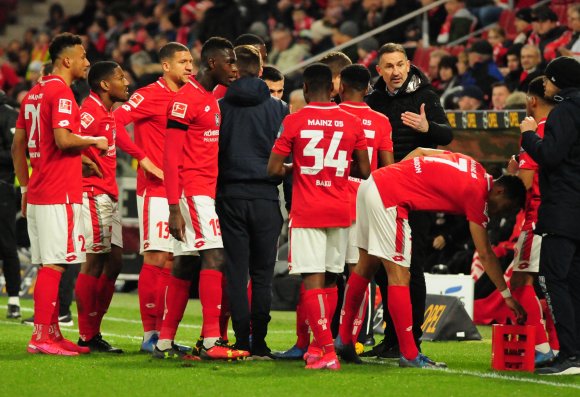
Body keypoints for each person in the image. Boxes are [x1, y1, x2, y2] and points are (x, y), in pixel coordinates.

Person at [337, 149, 527, 367]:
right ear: (500, 191)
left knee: (366, 266)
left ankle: (343, 338)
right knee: (400, 276)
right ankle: (409, 354)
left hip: (373, 184)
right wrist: (507, 295)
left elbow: (421, 151)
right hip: (389, 197)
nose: (503, 214)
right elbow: (484, 253)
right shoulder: (478, 194)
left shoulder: (472, 165)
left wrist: (399, 175)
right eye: (508, 208)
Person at [267, 62, 370, 370]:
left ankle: (326, 351)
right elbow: (365, 170)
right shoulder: (352, 122)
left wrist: (297, 167)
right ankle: (316, 346)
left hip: (308, 208)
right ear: (335, 89)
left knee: (312, 281)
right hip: (341, 209)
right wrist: (334, 171)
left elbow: (273, 170)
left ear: (307, 89)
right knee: (329, 280)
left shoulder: (295, 121)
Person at [11, 33, 108, 355]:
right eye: (82, 57)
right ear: (66, 60)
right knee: (55, 265)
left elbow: (18, 145)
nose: (87, 63)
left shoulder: (33, 94)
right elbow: (64, 140)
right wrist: (94, 142)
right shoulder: (62, 92)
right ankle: (41, 337)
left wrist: (24, 187)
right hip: (59, 192)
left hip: (38, 189)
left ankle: (51, 333)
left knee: (48, 264)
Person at [364, 43, 453, 358]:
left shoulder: (425, 96)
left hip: (417, 193)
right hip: (382, 192)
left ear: (408, 64)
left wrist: (428, 127)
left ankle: (411, 341)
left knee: (411, 267)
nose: (396, 71)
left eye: (400, 64)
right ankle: (391, 338)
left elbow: (447, 135)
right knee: (382, 269)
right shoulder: (372, 100)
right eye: (388, 66)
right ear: (380, 71)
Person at [160, 37, 246, 360]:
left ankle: (165, 341)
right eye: (230, 62)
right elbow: (170, 157)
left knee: (183, 264)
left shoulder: (210, 99)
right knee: (215, 257)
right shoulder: (186, 100)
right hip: (191, 191)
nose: (234, 68)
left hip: (202, 191)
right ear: (213, 63)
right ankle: (211, 341)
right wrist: (173, 208)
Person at [75, 61, 163, 353]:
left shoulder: (107, 113)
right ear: (104, 85)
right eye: (120, 78)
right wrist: (82, 163)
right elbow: (65, 141)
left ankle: (93, 330)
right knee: (94, 260)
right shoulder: (88, 112)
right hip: (92, 192)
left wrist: (143, 157)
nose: (127, 82)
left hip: (107, 193)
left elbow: (119, 135)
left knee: (112, 263)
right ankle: (86, 335)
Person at [113, 42, 193, 353]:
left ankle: (167, 336)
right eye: (182, 61)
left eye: (191, 61)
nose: (189, 66)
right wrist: (142, 159)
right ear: (166, 66)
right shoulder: (148, 94)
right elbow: (116, 123)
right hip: (157, 190)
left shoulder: (191, 96)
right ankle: (150, 334)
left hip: (186, 188)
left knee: (174, 261)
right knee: (157, 257)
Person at [216, 45, 288, 359]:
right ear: (260, 71)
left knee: (236, 271)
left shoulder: (219, 107)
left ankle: (241, 339)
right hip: (265, 196)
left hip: (229, 195)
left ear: (234, 70)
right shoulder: (279, 109)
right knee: (262, 273)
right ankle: (259, 341)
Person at [520, 56, 580, 375]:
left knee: (553, 279)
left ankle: (569, 354)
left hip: (563, 210)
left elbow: (551, 156)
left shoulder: (564, 112)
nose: (544, 84)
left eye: (547, 78)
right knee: (574, 282)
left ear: (558, 80)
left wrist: (529, 135)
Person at [337, 64, 394, 350]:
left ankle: (328, 334)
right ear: (369, 88)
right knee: (361, 270)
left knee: (326, 271)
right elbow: (388, 168)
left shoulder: (333, 116)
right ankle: (362, 334)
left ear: (340, 87)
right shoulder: (381, 121)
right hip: (367, 200)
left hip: (333, 198)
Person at [508, 76, 556, 366]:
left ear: (533, 101)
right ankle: (563, 345)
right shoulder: (565, 128)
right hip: (561, 216)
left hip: (536, 220)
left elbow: (524, 183)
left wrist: (512, 172)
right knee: (556, 285)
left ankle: (540, 346)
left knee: (519, 282)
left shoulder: (535, 131)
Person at [0, 88, 21, 319]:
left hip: (3, 187)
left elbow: (17, 152)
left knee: (7, 243)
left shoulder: (8, 113)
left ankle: (14, 299)